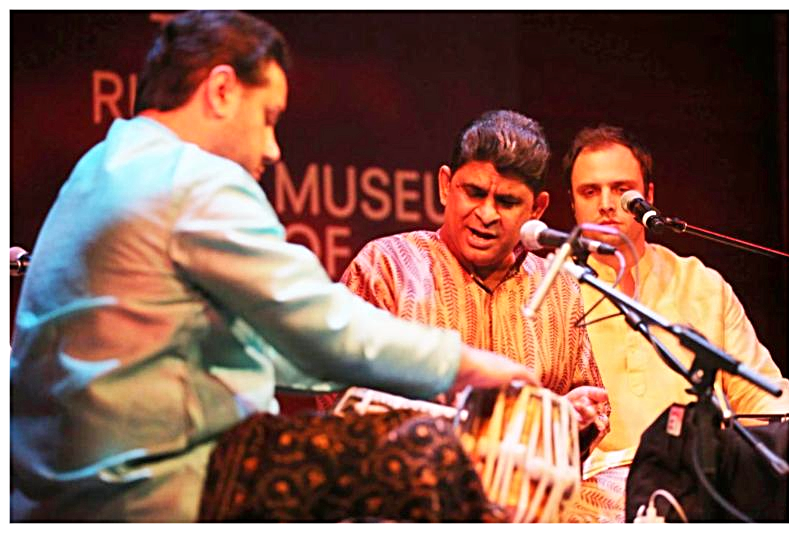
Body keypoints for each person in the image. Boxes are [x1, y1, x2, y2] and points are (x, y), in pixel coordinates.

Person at [9, 11, 539, 522]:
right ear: (221, 91)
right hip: (146, 487)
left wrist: (414, 379)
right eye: (267, 118)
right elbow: (318, 324)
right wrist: (469, 364)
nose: (272, 148)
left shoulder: (97, 169)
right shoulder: (190, 177)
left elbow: (265, 346)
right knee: (434, 457)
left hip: (53, 492)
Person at [340, 110, 610, 451]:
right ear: (444, 186)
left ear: (537, 210)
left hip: (522, 494)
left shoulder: (558, 288)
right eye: (474, 193)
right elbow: (341, 395)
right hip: (407, 486)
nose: (486, 214)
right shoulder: (387, 267)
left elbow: (590, 410)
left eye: (507, 201)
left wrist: (573, 418)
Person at [562, 124, 789, 522]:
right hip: (599, 497)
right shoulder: (551, 286)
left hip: (707, 480)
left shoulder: (699, 283)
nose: (606, 204)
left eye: (621, 189)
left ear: (648, 196)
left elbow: (765, 402)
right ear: (572, 204)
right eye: (590, 191)